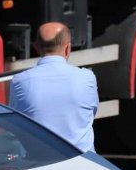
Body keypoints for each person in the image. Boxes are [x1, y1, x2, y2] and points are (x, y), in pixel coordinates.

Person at [9, 22, 99, 152]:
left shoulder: (19, 81)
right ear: (68, 48)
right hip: (85, 163)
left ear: (36, 48)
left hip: (41, 163)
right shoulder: (87, 77)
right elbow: (91, 114)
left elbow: (16, 123)